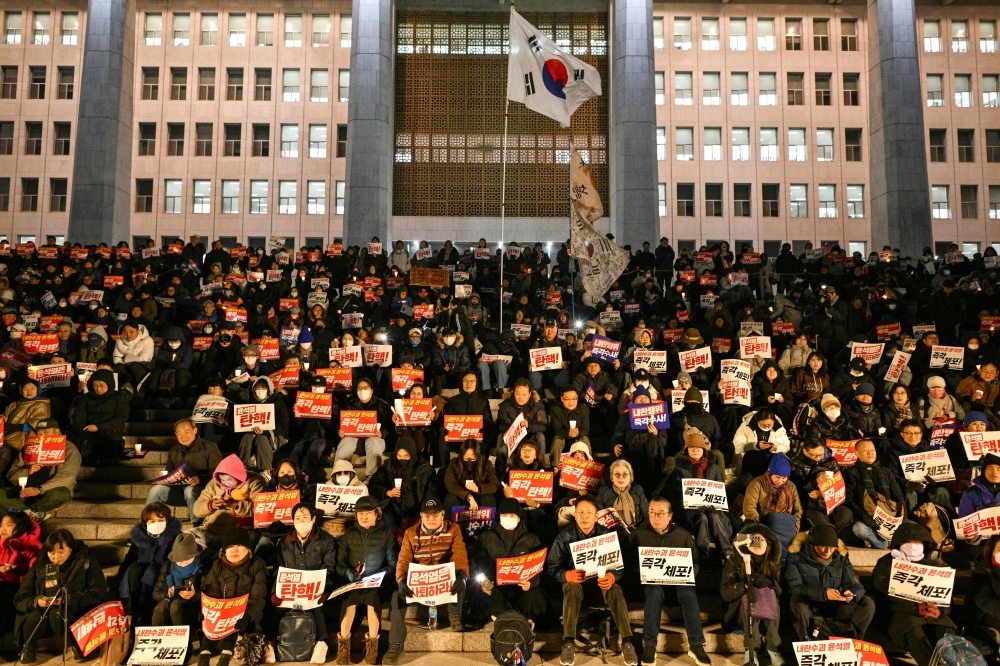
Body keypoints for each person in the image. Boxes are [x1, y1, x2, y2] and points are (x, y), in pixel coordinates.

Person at [547, 495, 637, 666]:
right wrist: (567, 575)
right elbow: (552, 566)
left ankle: (627, 642)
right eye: (580, 512)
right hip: (576, 587)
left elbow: (618, 566)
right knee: (571, 586)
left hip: (599, 585)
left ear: (596, 517)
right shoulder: (565, 536)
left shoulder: (607, 535)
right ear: (575, 515)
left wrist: (612, 576)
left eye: (589, 512)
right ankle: (568, 641)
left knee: (615, 589)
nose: (585, 516)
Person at [385, 497, 470, 665]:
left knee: (461, 574)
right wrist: (402, 580)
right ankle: (396, 643)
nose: (431, 518)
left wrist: (462, 575)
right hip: (421, 580)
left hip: (442, 578)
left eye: (435, 514)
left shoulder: (453, 529)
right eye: (426, 514)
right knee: (396, 595)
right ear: (421, 516)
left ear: (443, 514)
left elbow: (459, 553)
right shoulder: (411, 532)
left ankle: (454, 612)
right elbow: (403, 560)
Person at [630, 497, 712, 666]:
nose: (656, 517)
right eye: (652, 513)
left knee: (688, 592)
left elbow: (696, 563)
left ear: (670, 516)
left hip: (677, 584)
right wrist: (644, 572)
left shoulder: (682, 535)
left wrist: (688, 575)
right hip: (651, 585)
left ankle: (696, 645)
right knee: (654, 591)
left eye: (661, 513)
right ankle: (650, 646)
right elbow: (629, 564)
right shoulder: (638, 534)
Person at [14, 529, 108, 664]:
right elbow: (20, 598)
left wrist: (68, 599)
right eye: (52, 553)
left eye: (61, 552)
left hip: (73, 608)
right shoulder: (40, 566)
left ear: (71, 549)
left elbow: (97, 592)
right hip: (43, 611)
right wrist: (36, 601)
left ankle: (76, 645)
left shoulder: (85, 562)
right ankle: (28, 648)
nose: (56, 557)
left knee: (57, 613)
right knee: (36, 614)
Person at [872, 523, 957, 666]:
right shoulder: (886, 563)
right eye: (909, 542)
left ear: (925, 544)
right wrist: (914, 608)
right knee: (913, 630)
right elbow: (884, 594)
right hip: (903, 613)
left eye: (917, 542)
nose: (913, 545)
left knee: (947, 630)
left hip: (934, 614)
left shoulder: (936, 567)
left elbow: (948, 599)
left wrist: (940, 610)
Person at [265, 504, 338, 665]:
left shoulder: (326, 540)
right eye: (297, 518)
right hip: (291, 588)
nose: (301, 520)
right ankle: (270, 643)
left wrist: (324, 589)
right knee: (277, 608)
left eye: (305, 517)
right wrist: (274, 592)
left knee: (317, 608)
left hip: (314, 588)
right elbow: (278, 570)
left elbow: (329, 568)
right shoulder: (284, 542)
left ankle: (322, 643)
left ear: (313, 519)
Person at [335, 495, 398, 665]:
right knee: (349, 601)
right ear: (355, 515)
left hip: (377, 582)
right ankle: (344, 647)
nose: (364, 516)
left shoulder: (386, 533)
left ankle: (372, 646)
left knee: (372, 599)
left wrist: (378, 575)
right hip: (355, 581)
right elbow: (339, 564)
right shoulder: (350, 534)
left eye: (368, 512)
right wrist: (348, 572)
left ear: (376, 514)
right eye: (360, 513)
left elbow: (393, 564)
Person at [784, 523, 874, 641]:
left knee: (866, 602)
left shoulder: (841, 559)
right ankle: (807, 640)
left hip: (835, 607)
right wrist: (823, 593)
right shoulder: (796, 558)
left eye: (832, 547)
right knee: (796, 601)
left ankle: (854, 639)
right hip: (810, 606)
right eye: (823, 546)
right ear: (813, 543)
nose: (827, 551)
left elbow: (856, 585)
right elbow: (794, 587)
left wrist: (851, 594)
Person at [199, 528, 269, 666]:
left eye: (239, 546)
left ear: (247, 549)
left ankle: (224, 659)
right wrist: (205, 611)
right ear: (224, 551)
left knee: (236, 622)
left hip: (246, 617)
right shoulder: (217, 565)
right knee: (210, 619)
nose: (234, 550)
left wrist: (248, 615)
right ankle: (203, 658)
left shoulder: (257, 564)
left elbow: (259, 597)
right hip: (221, 616)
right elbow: (211, 592)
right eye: (230, 547)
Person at [719, 523, 784, 665]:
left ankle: (773, 648)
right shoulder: (735, 562)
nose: (757, 543)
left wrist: (770, 584)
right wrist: (745, 585)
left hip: (768, 615)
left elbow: (782, 593)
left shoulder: (773, 563)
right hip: (741, 613)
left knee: (771, 595)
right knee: (749, 596)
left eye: (761, 540)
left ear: (769, 544)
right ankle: (751, 649)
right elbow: (725, 593)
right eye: (753, 539)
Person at [476, 497, 547, 622]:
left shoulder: (531, 539)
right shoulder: (487, 537)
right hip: (495, 588)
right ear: (499, 517)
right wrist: (484, 584)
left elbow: (541, 567)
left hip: (520, 589)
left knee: (536, 595)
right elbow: (477, 565)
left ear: (519, 518)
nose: (508, 518)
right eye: (504, 515)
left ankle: (508, 617)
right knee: (484, 595)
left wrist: (531, 582)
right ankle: (518, 619)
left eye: (512, 515)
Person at [146, 418, 222, 526]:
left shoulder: (210, 447)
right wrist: (164, 477)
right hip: (179, 491)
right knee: (156, 490)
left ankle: (197, 524)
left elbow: (218, 474)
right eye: (179, 433)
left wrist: (201, 479)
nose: (183, 436)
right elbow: (170, 472)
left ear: (195, 430)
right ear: (176, 435)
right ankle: (147, 523)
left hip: (201, 492)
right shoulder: (174, 451)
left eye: (187, 432)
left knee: (189, 490)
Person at [117, 502, 183, 625]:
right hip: (138, 577)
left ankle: (142, 616)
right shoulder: (140, 538)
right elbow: (129, 560)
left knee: (151, 571)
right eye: (152, 521)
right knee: (135, 569)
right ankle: (132, 613)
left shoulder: (176, 537)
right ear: (145, 523)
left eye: (160, 520)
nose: (156, 523)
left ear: (167, 520)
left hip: (162, 579)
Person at [5, 418, 82, 522]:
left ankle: (27, 512)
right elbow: (11, 475)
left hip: (49, 491)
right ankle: (29, 512)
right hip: (27, 489)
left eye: (46, 432)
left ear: (57, 431)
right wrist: (27, 472)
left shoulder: (69, 449)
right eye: (39, 433)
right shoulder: (30, 447)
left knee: (60, 493)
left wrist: (39, 490)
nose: (42, 436)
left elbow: (66, 477)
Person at [192, 454, 267, 544]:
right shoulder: (214, 483)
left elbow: (260, 509)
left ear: (238, 476)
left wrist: (236, 505)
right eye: (222, 480)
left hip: (240, 532)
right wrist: (211, 505)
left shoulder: (255, 481)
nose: (226, 483)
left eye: (229, 480)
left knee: (230, 549)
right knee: (185, 539)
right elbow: (197, 510)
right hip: (212, 529)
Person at [843, 439, 905, 549]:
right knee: (859, 529)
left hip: (888, 515)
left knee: (913, 527)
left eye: (872, 450)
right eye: (865, 451)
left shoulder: (886, 471)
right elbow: (849, 499)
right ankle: (883, 544)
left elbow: (898, 495)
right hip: (867, 516)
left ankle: (887, 540)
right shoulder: (852, 472)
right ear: (857, 453)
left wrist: (901, 515)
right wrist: (864, 516)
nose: (870, 453)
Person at [368, 437, 435, 533]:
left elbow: (432, 490)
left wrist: (425, 510)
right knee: (391, 531)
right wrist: (387, 492)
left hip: (417, 510)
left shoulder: (424, 469)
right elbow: (373, 484)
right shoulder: (389, 466)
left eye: (406, 456)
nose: (402, 459)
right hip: (392, 509)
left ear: (412, 454)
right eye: (399, 456)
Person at [151, 532, 204, 654]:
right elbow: (156, 593)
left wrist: (195, 595)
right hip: (171, 605)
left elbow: (211, 594)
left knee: (176, 606)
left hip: (195, 609)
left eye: (187, 560)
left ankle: (184, 647)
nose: (183, 564)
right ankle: (157, 646)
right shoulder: (169, 566)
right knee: (161, 607)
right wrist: (167, 594)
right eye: (179, 561)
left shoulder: (203, 566)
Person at [742, 453, 801, 560]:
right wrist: (761, 527)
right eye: (777, 477)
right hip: (764, 521)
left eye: (784, 478)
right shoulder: (757, 483)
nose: (780, 481)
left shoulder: (791, 486)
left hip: (787, 523)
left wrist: (795, 527)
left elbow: (798, 510)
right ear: (770, 473)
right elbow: (749, 508)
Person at [789, 437, 852, 535]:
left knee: (846, 514)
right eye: (814, 455)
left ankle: (830, 533)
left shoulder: (831, 462)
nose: (818, 458)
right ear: (804, 451)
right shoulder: (796, 463)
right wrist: (814, 482)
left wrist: (823, 494)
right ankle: (829, 534)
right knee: (821, 521)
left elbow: (840, 485)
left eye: (821, 454)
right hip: (810, 505)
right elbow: (796, 489)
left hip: (831, 502)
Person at [70, 368, 130, 464]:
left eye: (102, 386)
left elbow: (121, 417)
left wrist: (99, 427)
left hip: (110, 433)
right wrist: (83, 430)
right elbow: (78, 416)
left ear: (109, 384)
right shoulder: (86, 398)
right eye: (95, 386)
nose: (98, 389)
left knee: (107, 449)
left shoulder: (119, 397)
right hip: (89, 433)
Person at [334, 378, 390, 480]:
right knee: (346, 441)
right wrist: (340, 431)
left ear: (372, 390)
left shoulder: (382, 405)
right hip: (356, 442)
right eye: (359, 388)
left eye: (365, 388)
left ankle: (373, 477)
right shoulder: (350, 405)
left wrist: (382, 433)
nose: (362, 390)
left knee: (373, 441)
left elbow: (389, 425)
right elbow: (341, 423)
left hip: (375, 440)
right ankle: (338, 474)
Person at [0, 511, 41, 634]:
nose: (3, 529)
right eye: (1, 525)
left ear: (21, 526)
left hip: (19, 587)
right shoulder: (1, 544)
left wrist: (17, 571)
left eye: (9, 525)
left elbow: (34, 573)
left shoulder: (32, 547)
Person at [495, 378, 548, 473]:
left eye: (524, 395)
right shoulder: (505, 405)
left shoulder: (537, 405)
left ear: (530, 394)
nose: (521, 397)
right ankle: (500, 473)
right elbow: (500, 425)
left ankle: (541, 467)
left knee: (540, 436)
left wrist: (529, 426)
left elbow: (543, 426)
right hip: (512, 438)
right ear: (513, 393)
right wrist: (515, 426)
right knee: (500, 438)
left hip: (530, 438)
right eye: (518, 394)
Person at [443, 439, 500, 514]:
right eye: (466, 457)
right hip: (461, 495)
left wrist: (478, 489)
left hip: (480, 495)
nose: (469, 460)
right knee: (451, 499)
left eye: (473, 457)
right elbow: (450, 482)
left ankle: (489, 524)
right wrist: (468, 496)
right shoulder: (455, 463)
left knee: (488, 499)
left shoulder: (486, 464)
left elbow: (494, 484)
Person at [596, 459, 649, 531]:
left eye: (625, 474)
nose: (621, 477)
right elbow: (599, 517)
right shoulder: (604, 491)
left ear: (630, 476)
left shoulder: (637, 489)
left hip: (637, 530)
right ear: (612, 477)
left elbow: (647, 515)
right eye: (617, 474)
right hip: (613, 532)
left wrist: (638, 531)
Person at [2, 380, 50, 452]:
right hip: (6, 437)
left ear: (38, 390)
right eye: (26, 389)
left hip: (25, 442)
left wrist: (19, 427)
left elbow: (39, 423)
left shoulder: (41, 405)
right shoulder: (13, 405)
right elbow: (4, 416)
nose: (29, 391)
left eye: (32, 389)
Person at [112, 319, 155, 386]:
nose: (128, 335)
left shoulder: (147, 340)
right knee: (119, 366)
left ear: (138, 331)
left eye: (131, 332)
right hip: (125, 367)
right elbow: (116, 359)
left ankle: (141, 388)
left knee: (134, 365)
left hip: (143, 368)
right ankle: (121, 388)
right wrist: (133, 357)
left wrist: (125, 358)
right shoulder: (119, 342)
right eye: (125, 332)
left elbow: (144, 359)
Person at [958, 452, 1000, 518]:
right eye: (990, 469)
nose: (995, 472)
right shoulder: (970, 493)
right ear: (984, 471)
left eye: (999, 469)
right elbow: (964, 519)